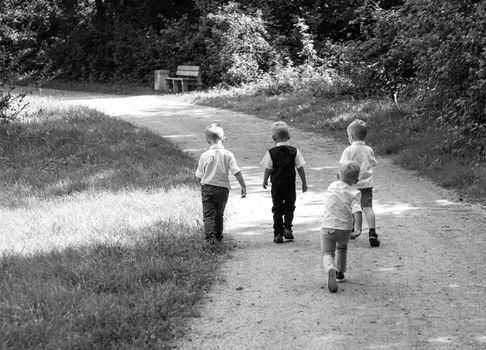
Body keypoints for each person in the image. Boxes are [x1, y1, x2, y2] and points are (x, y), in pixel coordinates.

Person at [196, 123, 247, 246]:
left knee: (208, 215)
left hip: (208, 188)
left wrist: (202, 187)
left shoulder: (204, 155)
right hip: (223, 190)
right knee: (219, 214)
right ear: (223, 139)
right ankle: (218, 236)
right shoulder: (228, 155)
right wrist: (243, 186)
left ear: (207, 140)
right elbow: (236, 171)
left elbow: (199, 176)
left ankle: (209, 239)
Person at [261, 121, 308, 243]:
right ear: (289, 137)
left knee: (277, 208)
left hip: (277, 185)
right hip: (290, 185)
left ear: (273, 138)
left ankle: (278, 233)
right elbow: (300, 168)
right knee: (289, 206)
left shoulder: (271, 152)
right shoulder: (295, 151)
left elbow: (268, 169)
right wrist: (304, 182)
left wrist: (265, 180)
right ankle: (287, 227)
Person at [321, 161, 363, 293]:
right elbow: (357, 210)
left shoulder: (332, 186)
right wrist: (358, 229)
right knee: (342, 247)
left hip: (328, 226)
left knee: (327, 252)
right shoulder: (355, 193)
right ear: (356, 180)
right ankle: (340, 273)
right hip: (344, 230)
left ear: (338, 176)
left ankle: (330, 268)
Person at [339, 119, 380, 247]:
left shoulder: (348, 150)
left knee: (352, 207)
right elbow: (373, 162)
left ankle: (351, 228)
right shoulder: (368, 149)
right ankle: (372, 232)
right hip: (367, 185)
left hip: (352, 185)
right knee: (367, 208)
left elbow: (343, 166)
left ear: (351, 136)